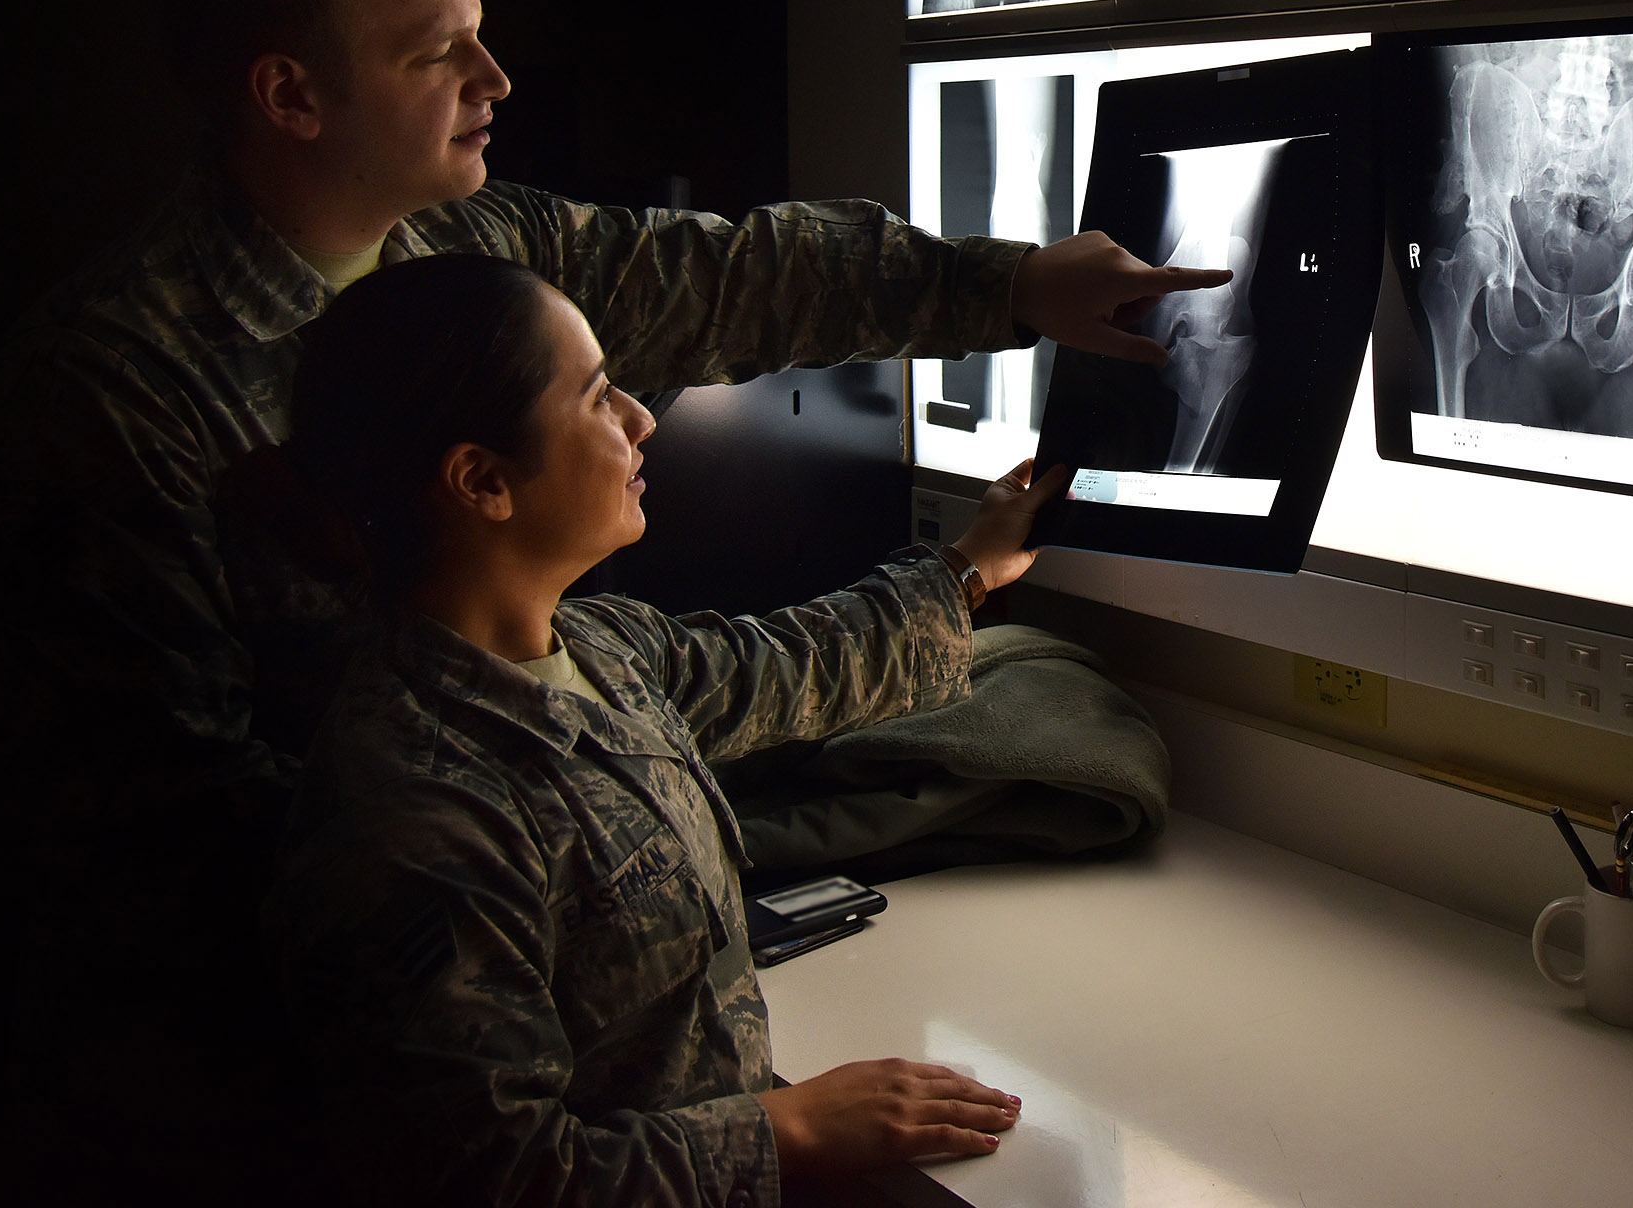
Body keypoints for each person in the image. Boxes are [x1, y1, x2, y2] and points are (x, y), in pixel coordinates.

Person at [0, 0, 1223, 1191]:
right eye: (439, 52)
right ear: (291, 96)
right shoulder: (113, 392)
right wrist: (590, 931)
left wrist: (1011, 290)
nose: (496, 77)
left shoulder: (480, 274)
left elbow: (735, 282)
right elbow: (178, 846)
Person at [271, 252, 1057, 1206]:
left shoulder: (600, 649)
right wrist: (789, 1130)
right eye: (600, 398)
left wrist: (971, 564)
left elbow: (788, 665)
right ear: (482, 482)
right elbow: (506, 1179)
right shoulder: (418, 815)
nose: (642, 418)